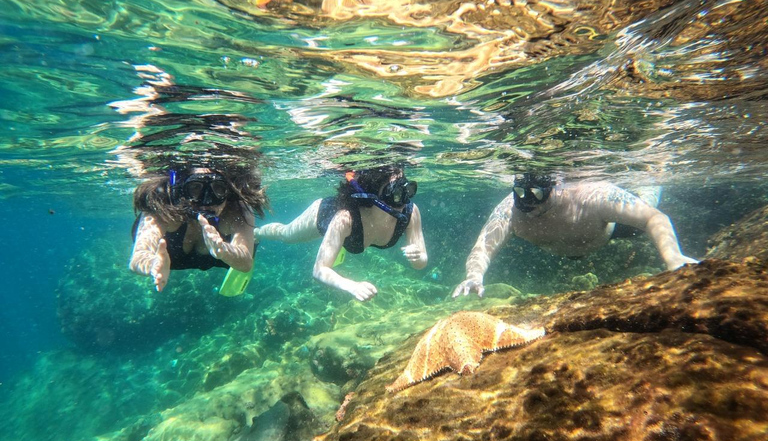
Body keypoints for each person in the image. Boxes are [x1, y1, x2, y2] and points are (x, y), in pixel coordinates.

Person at [453, 174, 698, 298]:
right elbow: (483, 246)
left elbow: (654, 218)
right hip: (564, 247)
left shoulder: (592, 196)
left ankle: (650, 183)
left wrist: (673, 258)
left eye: (537, 195)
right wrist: (473, 276)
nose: (528, 205)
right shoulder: (510, 209)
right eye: (519, 193)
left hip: (605, 233)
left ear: (556, 186)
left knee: (645, 206)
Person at [255, 165, 428, 301]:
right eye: (396, 192)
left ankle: (339, 245)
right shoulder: (344, 218)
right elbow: (319, 269)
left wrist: (419, 257)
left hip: (351, 234)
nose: (404, 199)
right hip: (325, 214)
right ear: (373, 196)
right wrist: (351, 286)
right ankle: (256, 233)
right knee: (286, 235)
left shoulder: (410, 213)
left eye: (408, 190)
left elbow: (420, 264)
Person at [129, 165, 268, 292]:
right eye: (196, 188)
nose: (207, 200)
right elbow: (138, 256)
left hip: (222, 255)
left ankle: (255, 234)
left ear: (228, 192)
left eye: (218, 188)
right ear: (181, 190)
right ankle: (253, 234)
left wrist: (225, 251)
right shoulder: (163, 208)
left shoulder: (237, 210)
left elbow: (245, 263)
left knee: (249, 238)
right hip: (172, 258)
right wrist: (153, 263)